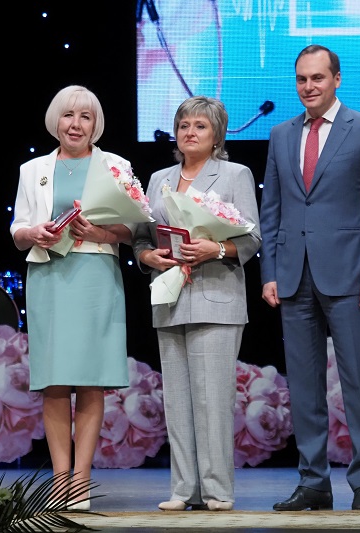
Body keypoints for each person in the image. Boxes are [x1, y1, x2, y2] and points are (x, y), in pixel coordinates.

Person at [259, 44, 360, 511]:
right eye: (302, 79)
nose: (308, 87)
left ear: (336, 79)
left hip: (351, 276)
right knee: (303, 387)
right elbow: (272, 210)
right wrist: (270, 272)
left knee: (358, 384)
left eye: (317, 78)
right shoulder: (281, 134)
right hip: (293, 275)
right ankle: (314, 482)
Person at [132, 96, 261, 512]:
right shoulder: (159, 178)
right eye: (184, 125)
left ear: (217, 134)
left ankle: (217, 491)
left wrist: (216, 248)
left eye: (200, 126)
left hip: (216, 297)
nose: (190, 132)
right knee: (177, 401)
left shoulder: (235, 174)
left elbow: (252, 237)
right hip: (169, 297)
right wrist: (148, 256)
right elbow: (142, 236)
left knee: (212, 399)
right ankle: (183, 489)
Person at [10, 85, 132, 511]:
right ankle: (60, 481)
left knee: (91, 379)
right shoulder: (33, 169)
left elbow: (134, 228)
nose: (76, 124)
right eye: (68, 115)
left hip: (96, 277)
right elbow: (18, 228)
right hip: (49, 276)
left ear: (95, 124)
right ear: (55, 121)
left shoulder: (116, 166)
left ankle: (81, 480)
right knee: (55, 380)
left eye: (85, 116)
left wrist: (100, 233)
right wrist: (33, 232)